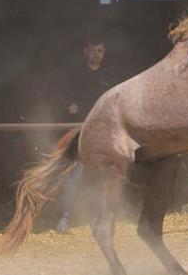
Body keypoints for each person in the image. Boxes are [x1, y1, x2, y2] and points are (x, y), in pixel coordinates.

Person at [56, 36, 114, 233]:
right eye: (93, 50)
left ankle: (99, 217)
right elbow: (61, 95)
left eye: (100, 51)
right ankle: (66, 217)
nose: (97, 55)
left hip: (101, 134)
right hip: (77, 132)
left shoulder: (110, 76)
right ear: (85, 52)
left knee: (101, 175)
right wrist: (68, 105)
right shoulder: (74, 74)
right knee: (74, 174)